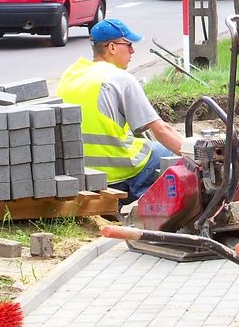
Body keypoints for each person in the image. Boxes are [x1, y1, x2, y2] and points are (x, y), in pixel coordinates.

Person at [56, 19, 184, 202]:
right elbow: (161, 131)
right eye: (128, 44)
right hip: (115, 172)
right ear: (112, 47)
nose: (132, 51)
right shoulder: (119, 78)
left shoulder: (71, 74)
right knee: (168, 154)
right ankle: (149, 203)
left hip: (77, 170)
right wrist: (194, 155)